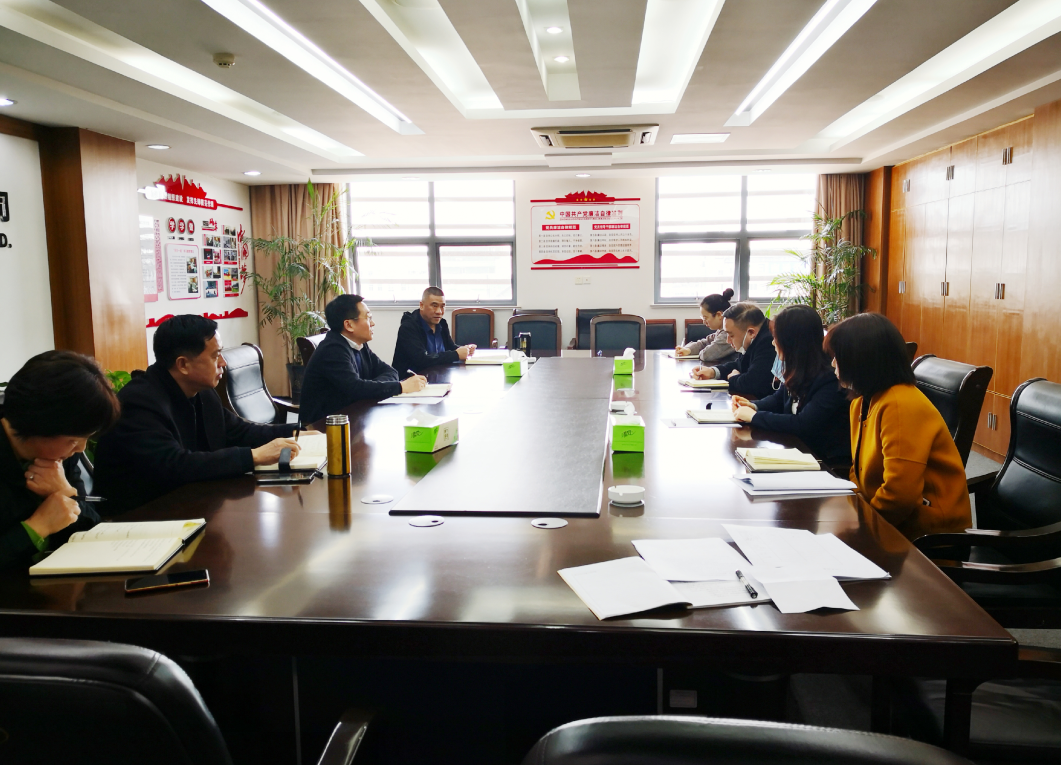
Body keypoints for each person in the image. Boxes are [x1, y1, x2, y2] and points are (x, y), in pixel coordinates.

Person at [93, 315, 301, 515]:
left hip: (188, 505)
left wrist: (297, 431)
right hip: (138, 518)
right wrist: (253, 456)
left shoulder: (202, 392)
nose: (223, 362)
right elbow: (175, 465)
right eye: (215, 356)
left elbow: (238, 430)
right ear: (183, 364)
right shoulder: (138, 403)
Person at [825, 313, 971, 540]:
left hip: (929, 537)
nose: (833, 364)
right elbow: (857, 469)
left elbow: (900, 496)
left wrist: (863, 527)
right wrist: (857, 510)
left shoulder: (900, 405)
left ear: (862, 360)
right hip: (888, 522)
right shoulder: (861, 402)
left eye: (838, 357)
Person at [0, 351, 120, 568]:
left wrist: (63, 492)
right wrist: (37, 527)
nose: (81, 449)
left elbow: (91, 531)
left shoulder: (61, 454)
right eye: (73, 440)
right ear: (38, 425)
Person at [730, 305, 850, 467]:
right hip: (797, 452)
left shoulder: (829, 378)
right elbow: (779, 398)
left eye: (776, 338)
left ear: (791, 342)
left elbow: (803, 424)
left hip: (823, 462)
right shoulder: (798, 368)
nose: (773, 343)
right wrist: (753, 405)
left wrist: (754, 417)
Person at [299, 294, 428, 424]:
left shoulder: (359, 344)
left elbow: (390, 372)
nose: (373, 323)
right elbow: (356, 389)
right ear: (349, 325)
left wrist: (368, 387)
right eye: (368, 317)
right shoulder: (332, 350)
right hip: (324, 426)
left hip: (352, 415)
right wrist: (401, 387)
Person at [690, 302, 777, 399]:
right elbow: (739, 365)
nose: (728, 340)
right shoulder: (755, 337)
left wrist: (733, 378)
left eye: (731, 335)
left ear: (751, 332)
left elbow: (752, 383)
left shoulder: (769, 342)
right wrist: (713, 372)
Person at [392, 287, 476, 376]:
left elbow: (450, 347)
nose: (439, 312)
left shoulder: (442, 323)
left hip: (438, 376)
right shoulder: (408, 328)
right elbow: (422, 360)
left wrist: (465, 349)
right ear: (421, 305)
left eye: (442, 306)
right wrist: (456, 354)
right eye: (434, 306)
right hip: (412, 380)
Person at [675, 288, 738, 365]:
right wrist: (687, 349)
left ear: (719, 315)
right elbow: (704, 343)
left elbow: (707, 355)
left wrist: (696, 352)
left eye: (705, 318)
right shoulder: (722, 331)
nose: (704, 322)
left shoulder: (729, 333)